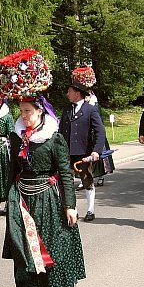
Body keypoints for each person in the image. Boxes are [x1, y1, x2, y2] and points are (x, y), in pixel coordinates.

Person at [3, 95, 85, 287]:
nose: (24, 115)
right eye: (21, 110)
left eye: (28, 110)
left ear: (40, 111)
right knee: (25, 247)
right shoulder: (17, 137)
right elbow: (13, 168)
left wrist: (70, 205)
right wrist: (8, 198)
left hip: (47, 199)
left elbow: (66, 173)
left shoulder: (54, 139)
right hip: (22, 199)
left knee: (48, 247)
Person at [59, 81, 107, 222]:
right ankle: (71, 209)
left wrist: (96, 151)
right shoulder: (67, 109)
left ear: (77, 93)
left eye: (69, 91)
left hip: (84, 152)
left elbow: (100, 131)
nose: (67, 94)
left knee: (87, 180)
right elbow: (61, 131)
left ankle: (90, 209)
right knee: (66, 182)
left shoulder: (90, 109)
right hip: (67, 152)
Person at [86, 88, 114, 186]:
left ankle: (101, 176)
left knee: (100, 155)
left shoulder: (95, 106)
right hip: (87, 135)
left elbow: (99, 123)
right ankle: (86, 178)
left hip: (96, 134)